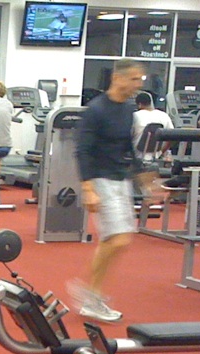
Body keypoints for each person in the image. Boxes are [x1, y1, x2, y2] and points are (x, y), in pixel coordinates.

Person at [69, 58, 155, 323]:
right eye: (134, 79)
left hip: (121, 179)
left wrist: (142, 175)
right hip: (101, 180)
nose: (138, 85)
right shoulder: (96, 110)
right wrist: (88, 188)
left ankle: (91, 294)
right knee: (117, 239)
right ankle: (89, 295)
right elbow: (82, 151)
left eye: (140, 80)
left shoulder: (128, 110)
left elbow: (127, 146)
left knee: (117, 240)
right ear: (118, 78)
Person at [131, 90, 174, 166]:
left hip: (136, 157)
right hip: (156, 157)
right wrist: (161, 152)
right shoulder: (164, 115)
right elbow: (172, 137)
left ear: (139, 104)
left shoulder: (135, 116)